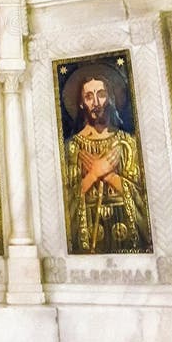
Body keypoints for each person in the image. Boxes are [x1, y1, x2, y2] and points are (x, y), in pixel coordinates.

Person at [62, 69, 152, 254]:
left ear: (110, 98)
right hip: (88, 229)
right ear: (80, 103)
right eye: (88, 97)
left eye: (101, 95)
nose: (96, 103)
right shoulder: (71, 148)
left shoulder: (127, 143)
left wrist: (109, 175)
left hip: (125, 227)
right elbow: (64, 200)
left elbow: (143, 197)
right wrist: (94, 174)